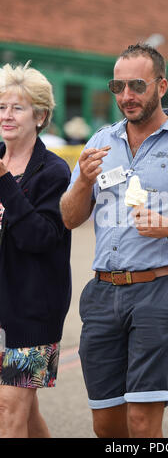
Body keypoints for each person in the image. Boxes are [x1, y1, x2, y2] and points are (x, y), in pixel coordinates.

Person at [60, 43, 168, 438]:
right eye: (118, 86)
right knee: (106, 423)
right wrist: (85, 181)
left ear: (162, 86)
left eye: (137, 85)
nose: (126, 96)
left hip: (161, 290)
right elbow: (70, 219)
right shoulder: (98, 144)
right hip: (103, 292)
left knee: (142, 421)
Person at [0, 62, 72, 438]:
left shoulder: (54, 172)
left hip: (33, 309)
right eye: (1, 107)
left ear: (40, 116)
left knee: (9, 407)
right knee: (25, 415)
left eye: (17, 107)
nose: (6, 116)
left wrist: (4, 184)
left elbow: (41, 238)